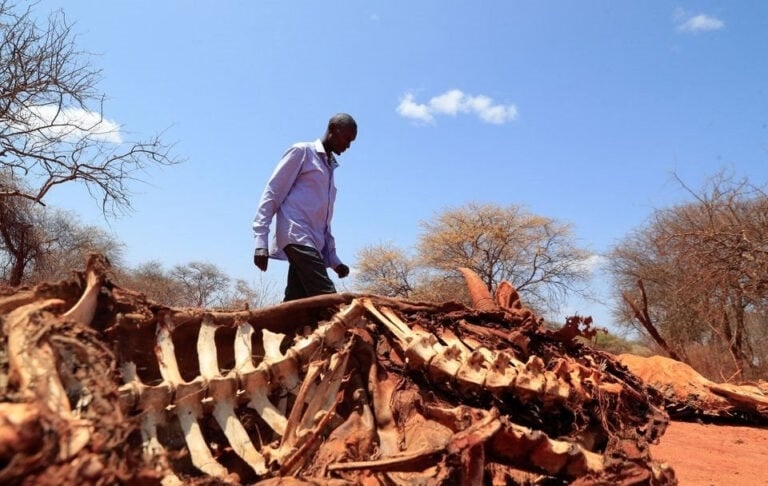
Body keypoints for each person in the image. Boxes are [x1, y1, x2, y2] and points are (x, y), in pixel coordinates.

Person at [252, 113, 357, 301]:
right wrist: (261, 241)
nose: (348, 146)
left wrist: (334, 260)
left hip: (313, 244)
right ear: (333, 128)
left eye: (351, 141)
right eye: (346, 138)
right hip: (296, 235)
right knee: (328, 299)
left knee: (297, 305)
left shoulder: (329, 170)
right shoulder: (302, 152)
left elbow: (324, 222)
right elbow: (273, 193)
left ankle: (275, 329)